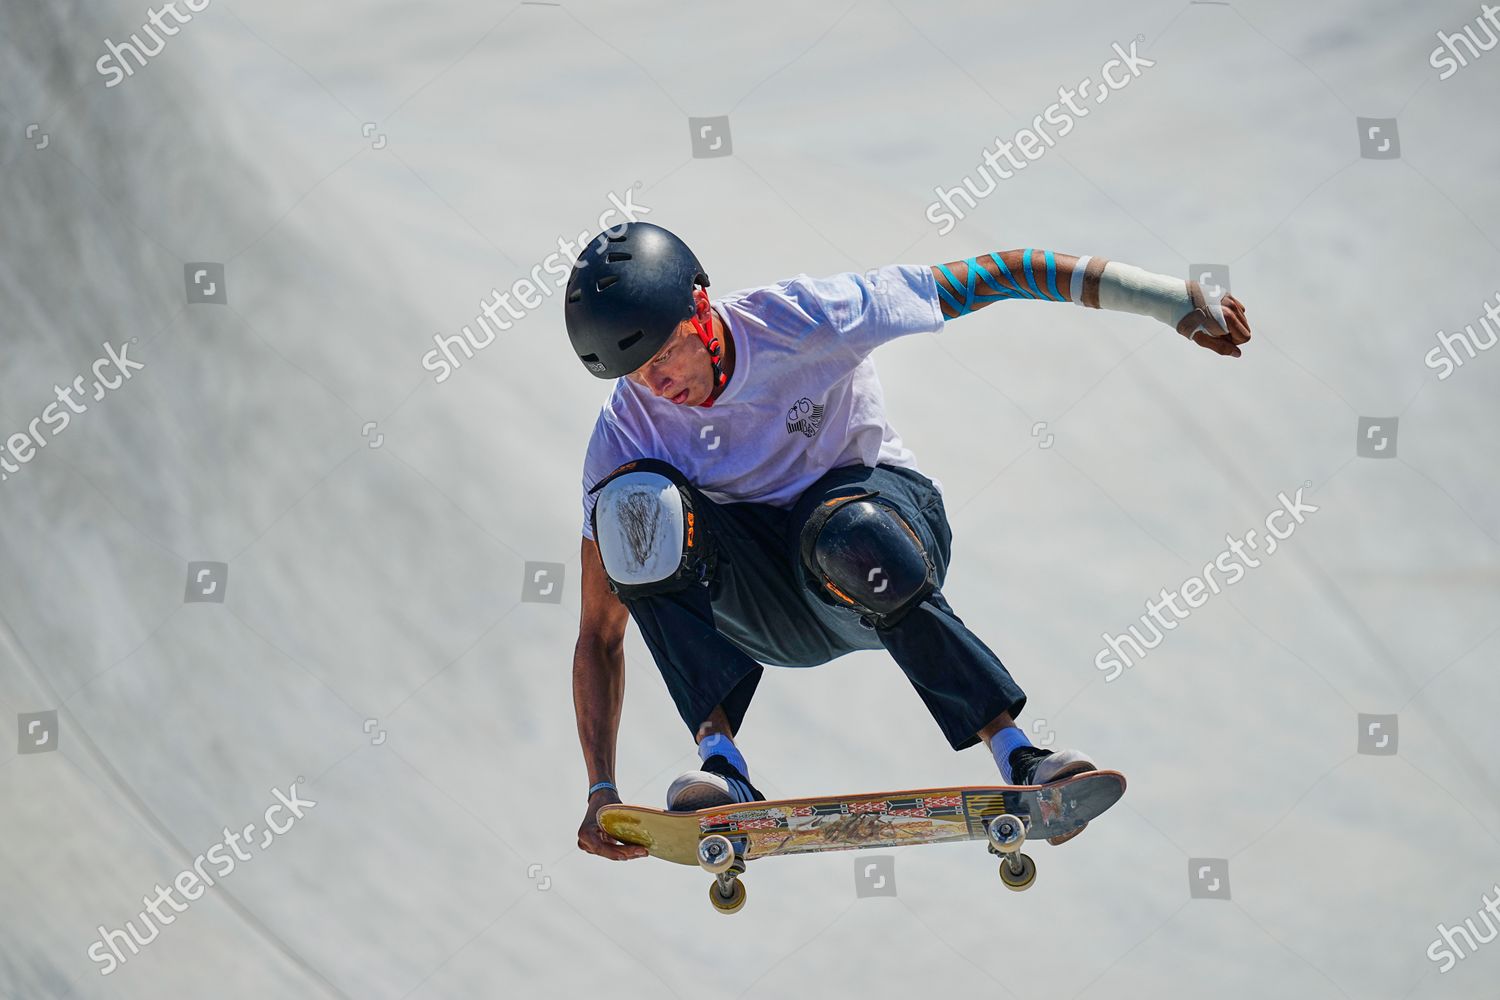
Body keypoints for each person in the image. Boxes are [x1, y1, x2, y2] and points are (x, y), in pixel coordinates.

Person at [568, 221, 1251, 860]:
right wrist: (601, 790)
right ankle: (722, 766)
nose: (658, 384)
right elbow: (599, 633)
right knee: (631, 509)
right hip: (771, 613)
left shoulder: (809, 317)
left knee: (842, 530)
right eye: (635, 373)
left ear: (700, 309)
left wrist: (1172, 301)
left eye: (665, 356)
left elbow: (1003, 272)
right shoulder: (626, 433)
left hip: (884, 540)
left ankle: (1016, 751)